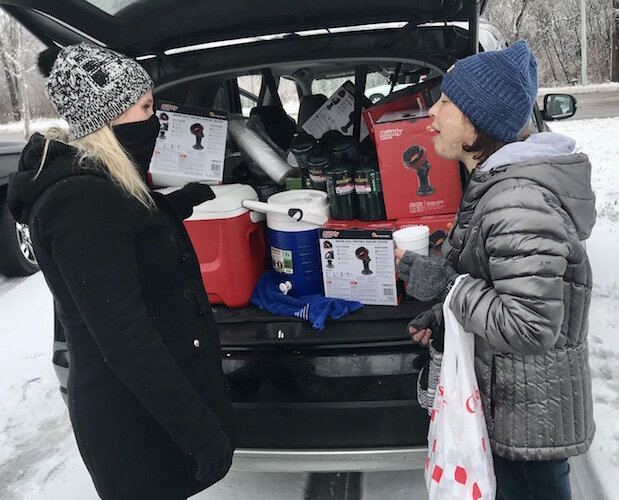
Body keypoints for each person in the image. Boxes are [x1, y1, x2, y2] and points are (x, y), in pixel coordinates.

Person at [8, 43, 236, 500]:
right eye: (147, 107)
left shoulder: (101, 184)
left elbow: (127, 228)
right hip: (131, 419)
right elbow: (125, 339)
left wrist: (181, 202)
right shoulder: (82, 202)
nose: (157, 120)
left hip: (144, 405)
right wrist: (197, 431)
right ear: (106, 117)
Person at [395, 40, 596, 500]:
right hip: (512, 407)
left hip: (527, 427)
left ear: (476, 124)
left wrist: (449, 286)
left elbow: (531, 325)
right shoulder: (495, 183)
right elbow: (499, 283)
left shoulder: (518, 200)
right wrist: (448, 313)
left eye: (446, 102)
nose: (432, 114)